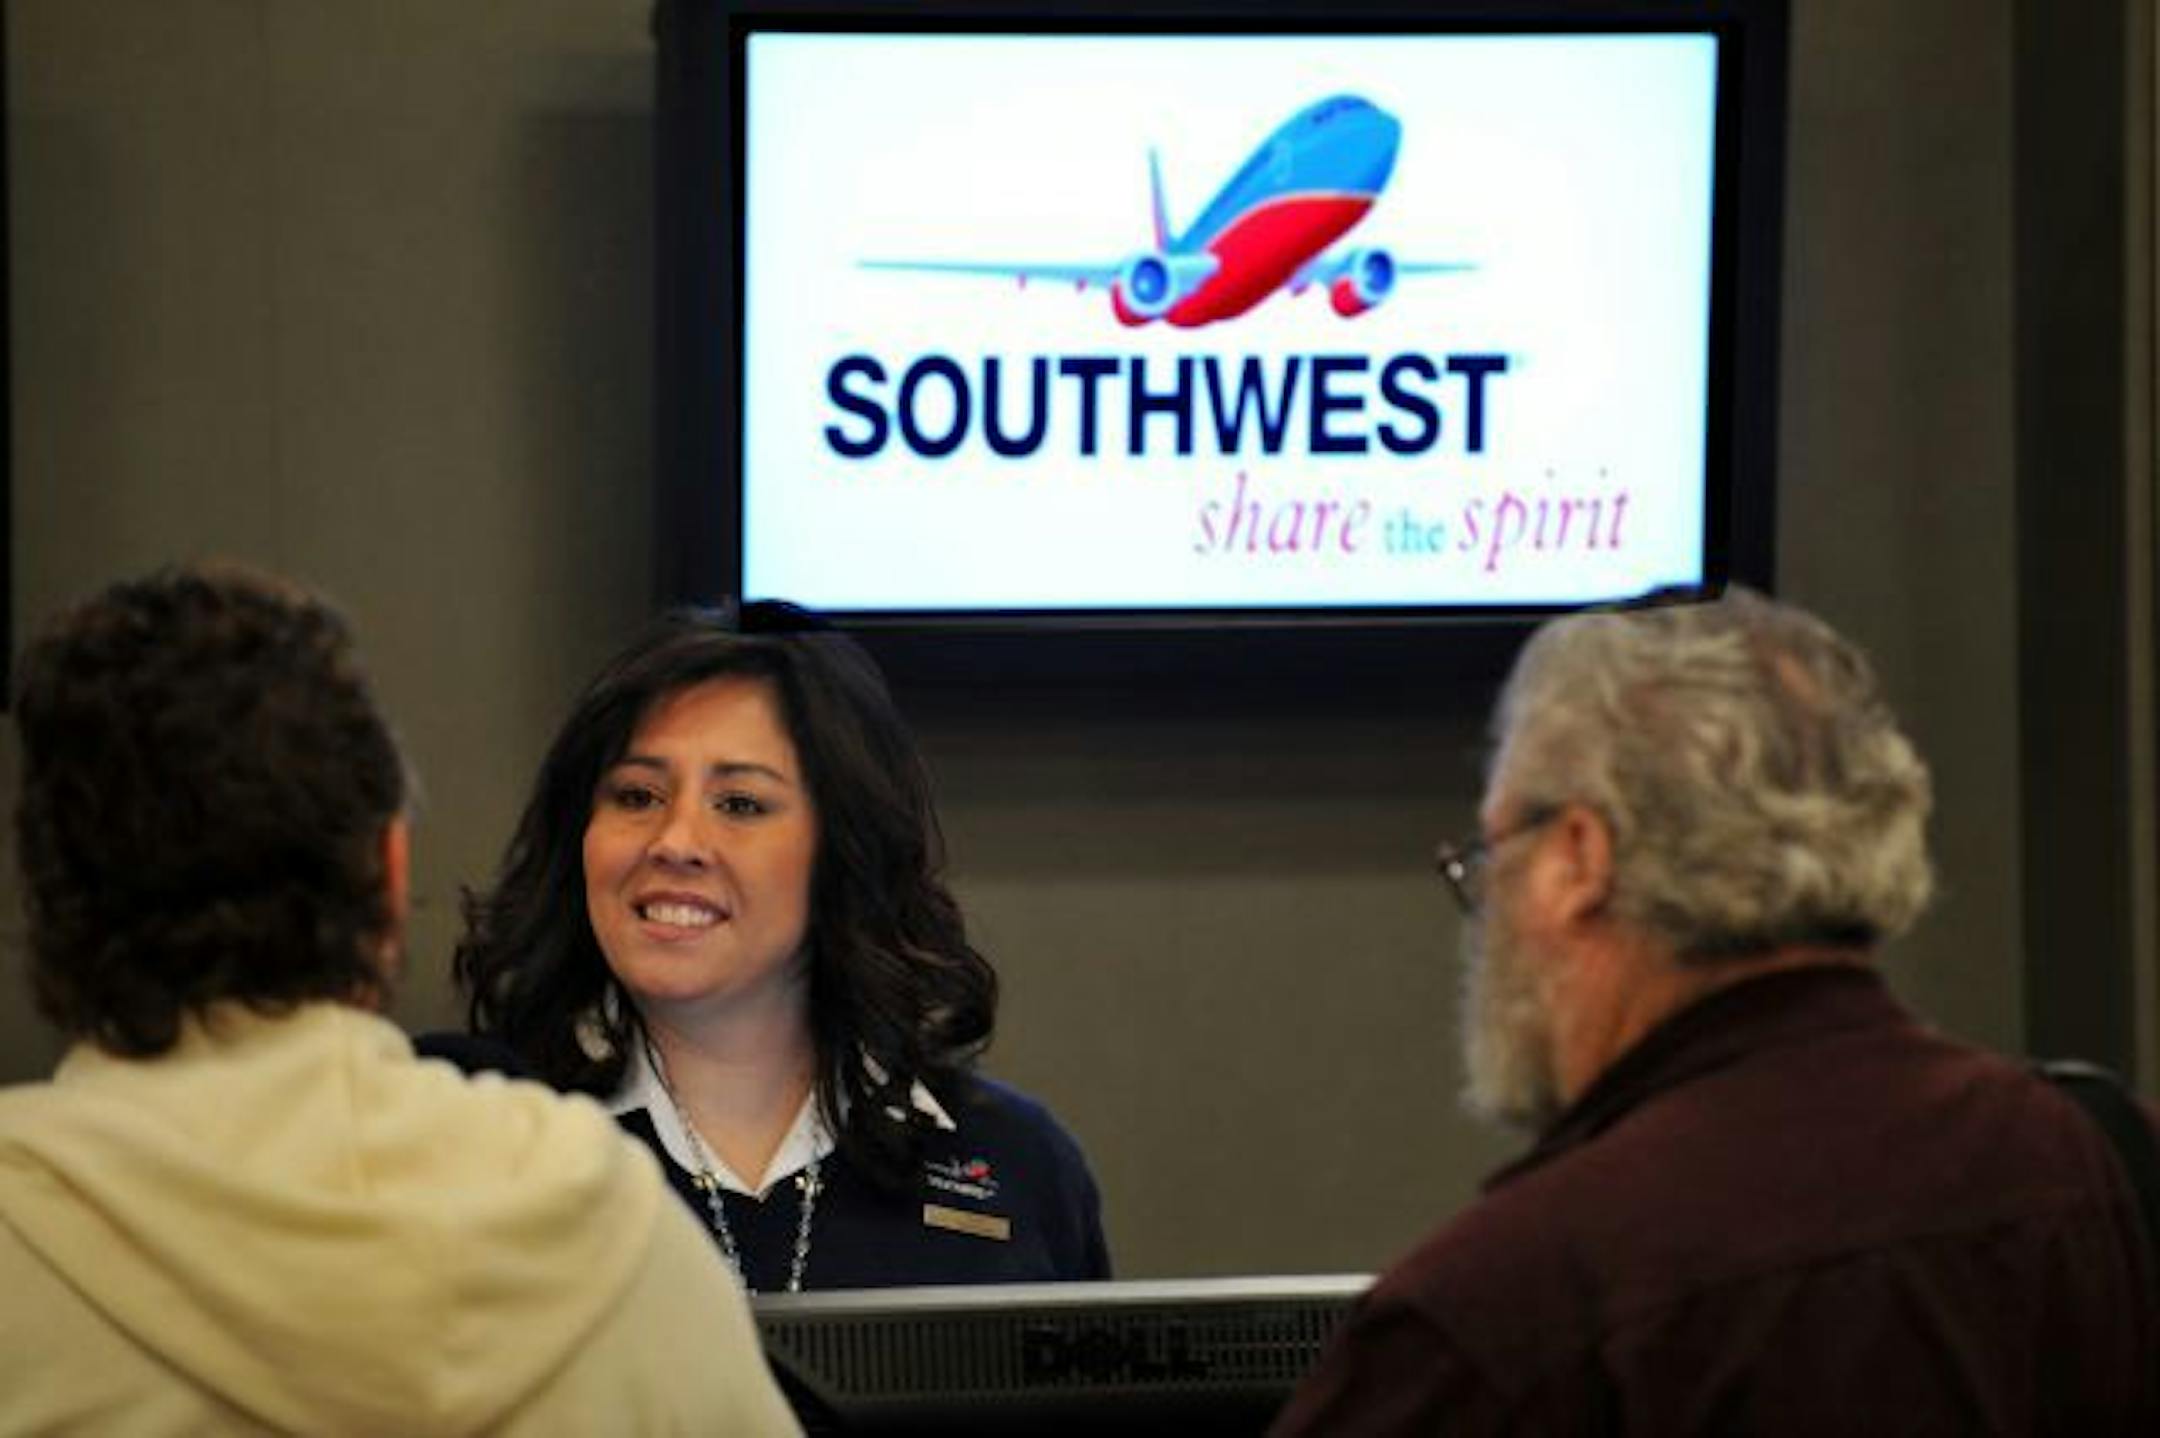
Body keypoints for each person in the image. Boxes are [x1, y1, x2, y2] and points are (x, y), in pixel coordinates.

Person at [1272, 587, 2160, 1435]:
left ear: (1580, 858)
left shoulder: (1501, 1318)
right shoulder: (2100, 1174)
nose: (1490, 903)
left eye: (1495, 851)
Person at [0, 565, 799, 1435]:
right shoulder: (607, 1223)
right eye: (638, 795)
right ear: (389, 869)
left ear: (43, 896)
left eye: (743, 802)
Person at [452, 601, 1109, 1293]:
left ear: (842, 850)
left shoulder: (1015, 1161)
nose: (674, 842)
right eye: (638, 796)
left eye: (739, 804)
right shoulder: (460, 1133)